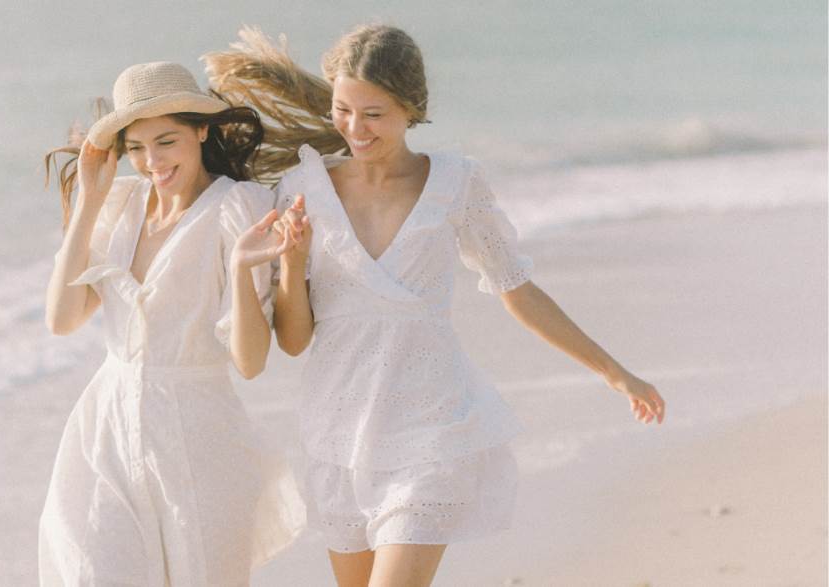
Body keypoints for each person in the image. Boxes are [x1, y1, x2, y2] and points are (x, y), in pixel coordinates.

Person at [206, 25, 666, 587]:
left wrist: (615, 373)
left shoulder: (455, 183)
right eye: (343, 110)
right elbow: (295, 340)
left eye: (373, 114)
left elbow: (518, 289)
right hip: (340, 434)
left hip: (431, 428)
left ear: (411, 108)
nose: (354, 128)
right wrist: (294, 260)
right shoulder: (302, 189)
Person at [38, 61, 303, 587]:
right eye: (136, 148)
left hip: (198, 441)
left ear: (201, 131)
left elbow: (250, 362)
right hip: (105, 434)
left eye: (166, 142)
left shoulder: (238, 208)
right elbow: (62, 319)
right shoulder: (121, 205)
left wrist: (239, 268)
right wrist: (89, 200)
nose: (152, 162)